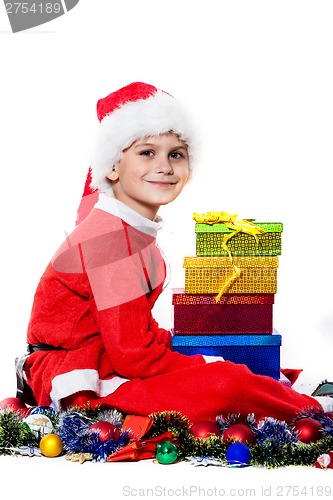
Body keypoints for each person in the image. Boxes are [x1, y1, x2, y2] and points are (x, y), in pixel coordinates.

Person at [18, 82, 332, 423]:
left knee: (225, 358)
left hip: (110, 355)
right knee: (225, 383)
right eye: (147, 153)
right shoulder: (109, 240)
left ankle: (283, 390)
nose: (165, 166)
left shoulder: (133, 232)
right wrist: (204, 365)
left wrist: (192, 351)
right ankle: (311, 409)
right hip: (83, 372)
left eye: (176, 154)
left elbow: (133, 330)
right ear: (112, 167)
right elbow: (133, 357)